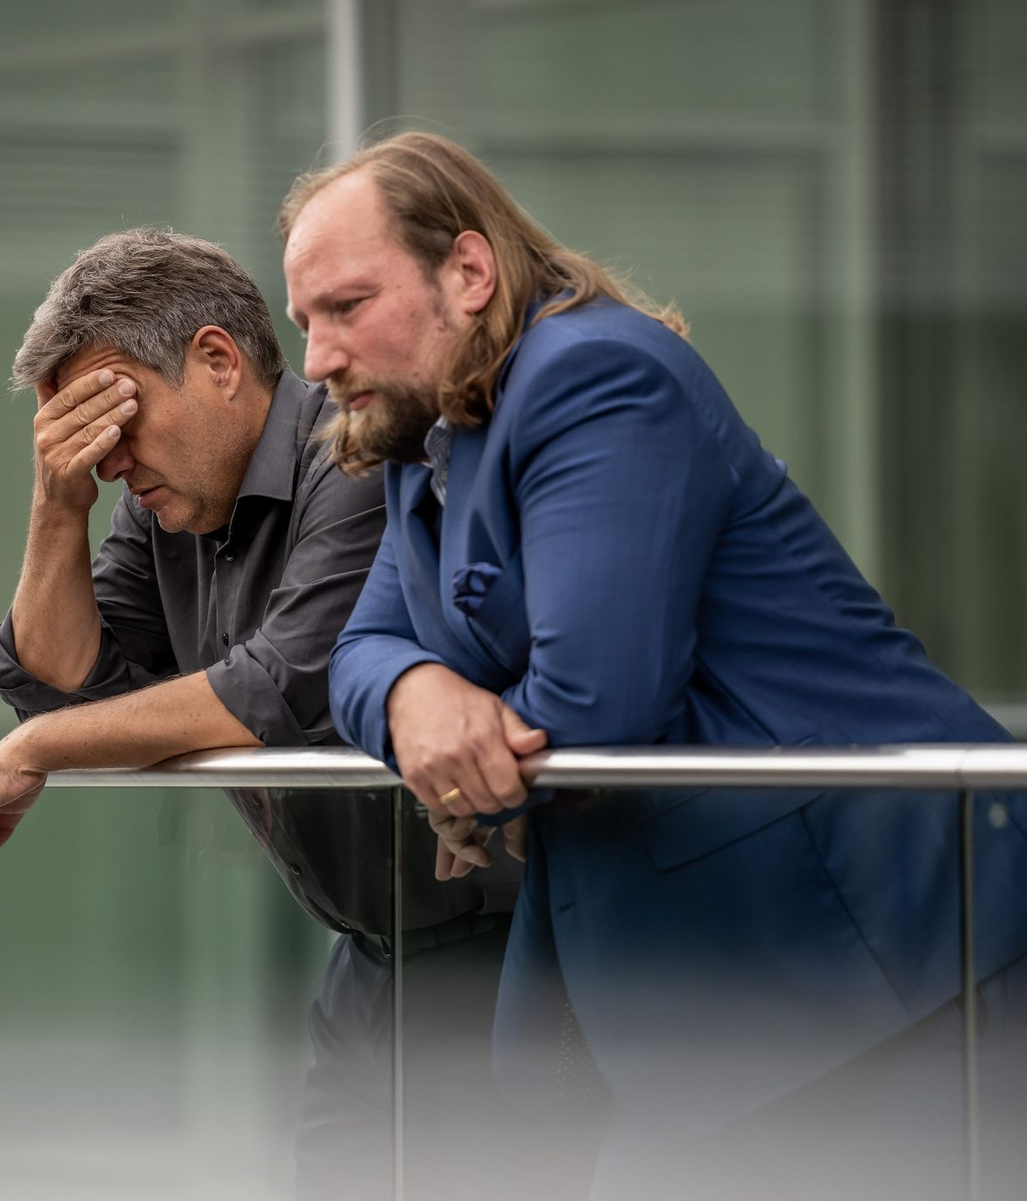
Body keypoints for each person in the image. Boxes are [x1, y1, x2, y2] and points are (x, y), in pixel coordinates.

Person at [280, 133, 1027, 1199]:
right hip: (717, 994)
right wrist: (416, 700)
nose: (314, 358)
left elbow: (598, 704)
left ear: (470, 272)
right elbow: (356, 654)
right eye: (305, 320)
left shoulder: (593, 374)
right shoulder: (432, 442)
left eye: (345, 307)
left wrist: (475, 782)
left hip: (887, 945)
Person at [0, 229, 558, 1201]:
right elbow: (64, 686)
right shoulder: (160, 509)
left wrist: (40, 744)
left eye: (115, 417)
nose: (107, 464)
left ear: (218, 361)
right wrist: (58, 507)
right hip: (367, 957)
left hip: (505, 948)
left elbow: (282, 689)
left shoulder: (353, 457)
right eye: (79, 439)